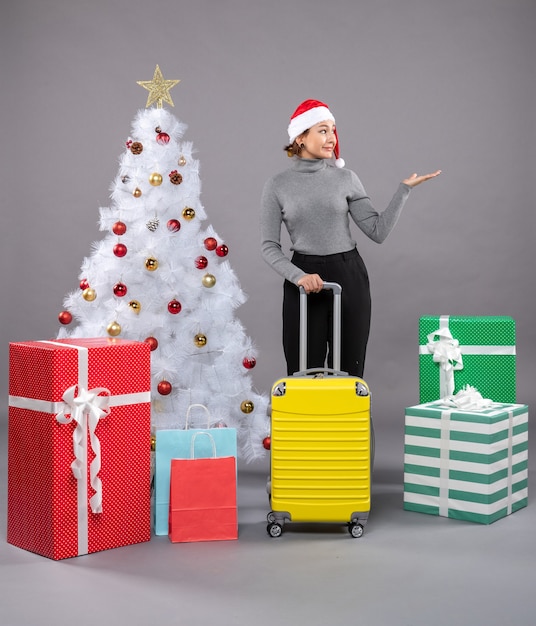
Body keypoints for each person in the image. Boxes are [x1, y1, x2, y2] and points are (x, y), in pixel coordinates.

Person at [260, 99, 440, 378]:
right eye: (322, 130)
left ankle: (347, 422)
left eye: (333, 130)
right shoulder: (277, 185)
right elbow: (269, 246)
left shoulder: (346, 178)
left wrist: (403, 190)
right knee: (303, 371)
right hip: (304, 279)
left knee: (350, 369)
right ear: (300, 137)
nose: (332, 137)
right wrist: (298, 276)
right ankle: (309, 422)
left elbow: (377, 231)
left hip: (349, 275)